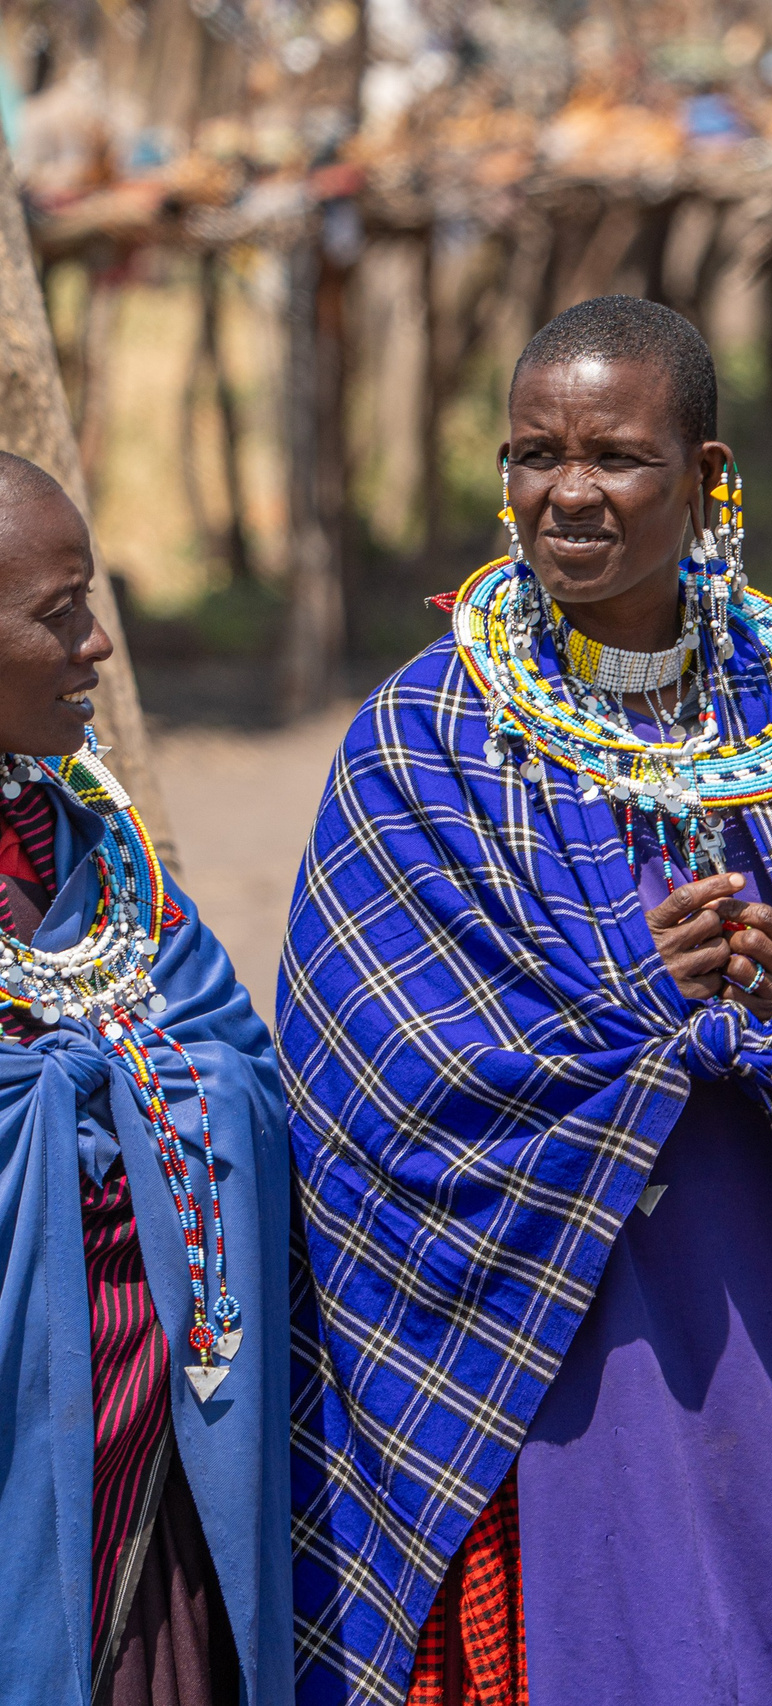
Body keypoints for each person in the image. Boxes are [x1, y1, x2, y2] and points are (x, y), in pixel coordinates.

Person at [283, 297, 772, 1706]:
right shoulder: (422, 738)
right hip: (536, 1334)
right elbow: (372, 1092)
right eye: (536, 454)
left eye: (616, 455)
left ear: (707, 474)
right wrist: (628, 1005)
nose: (569, 492)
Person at [0, 454, 292, 1704]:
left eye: (91, 599)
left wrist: (125, 1092)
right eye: (56, 611)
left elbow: (237, 1060)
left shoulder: (95, 844)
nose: (98, 641)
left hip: (153, 1470)